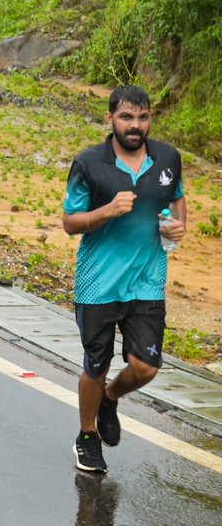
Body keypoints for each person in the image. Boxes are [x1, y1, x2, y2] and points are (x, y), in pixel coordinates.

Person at [62, 85, 186, 474]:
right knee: (95, 366)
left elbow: (177, 199)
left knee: (146, 366)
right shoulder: (89, 163)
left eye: (143, 117)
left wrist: (178, 226)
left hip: (147, 280)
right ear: (110, 119)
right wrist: (107, 210)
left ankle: (111, 399)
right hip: (99, 282)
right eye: (127, 117)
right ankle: (86, 437)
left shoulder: (167, 158)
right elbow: (70, 223)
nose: (136, 125)